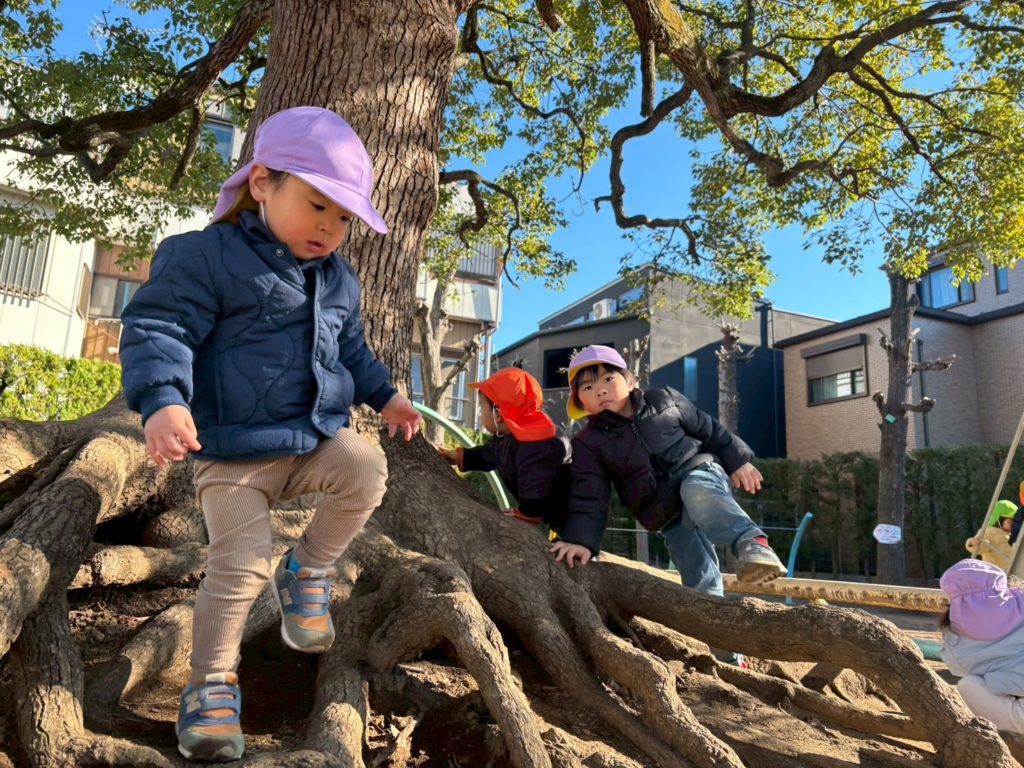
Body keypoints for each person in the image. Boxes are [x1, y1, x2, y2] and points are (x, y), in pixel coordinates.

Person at [119, 106, 421, 763]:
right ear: (262, 183)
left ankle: (307, 568)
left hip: (311, 441)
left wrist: (389, 397)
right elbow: (160, 326)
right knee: (239, 564)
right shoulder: (205, 255)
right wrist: (163, 400)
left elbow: (354, 354)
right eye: (317, 205)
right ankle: (210, 688)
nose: (329, 227)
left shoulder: (339, 279)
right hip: (233, 456)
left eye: (344, 217)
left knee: (366, 467)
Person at [551, 344, 786, 592]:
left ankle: (753, 544)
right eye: (587, 388)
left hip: (698, 472)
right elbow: (590, 495)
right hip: (663, 509)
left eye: (608, 379)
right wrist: (581, 541)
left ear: (630, 382)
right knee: (691, 558)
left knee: (696, 490)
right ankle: (708, 604)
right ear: (581, 404)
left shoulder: (663, 398)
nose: (601, 390)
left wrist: (738, 460)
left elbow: (708, 428)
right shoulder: (588, 443)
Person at [438, 367, 571, 533]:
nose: (480, 414)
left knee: (568, 537)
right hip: (556, 515)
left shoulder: (536, 446)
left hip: (573, 515)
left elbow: (535, 486)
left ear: (497, 414)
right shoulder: (506, 437)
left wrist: (527, 512)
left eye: (481, 408)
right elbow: (487, 455)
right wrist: (460, 456)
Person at [940, 558, 1024, 733]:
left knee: (967, 684)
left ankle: (1009, 734)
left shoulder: (955, 635)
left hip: (1018, 713)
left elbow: (958, 669)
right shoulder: (1021, 600)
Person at [966, 500, 1018, 572]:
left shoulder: (1013, 534)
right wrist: (972, 543)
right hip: (998, 573)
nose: (1012, 525)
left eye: (1015, 522)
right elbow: (979, 548)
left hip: (1014, 572)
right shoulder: (989, 531)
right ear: (999, 520)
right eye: (1010, 522)